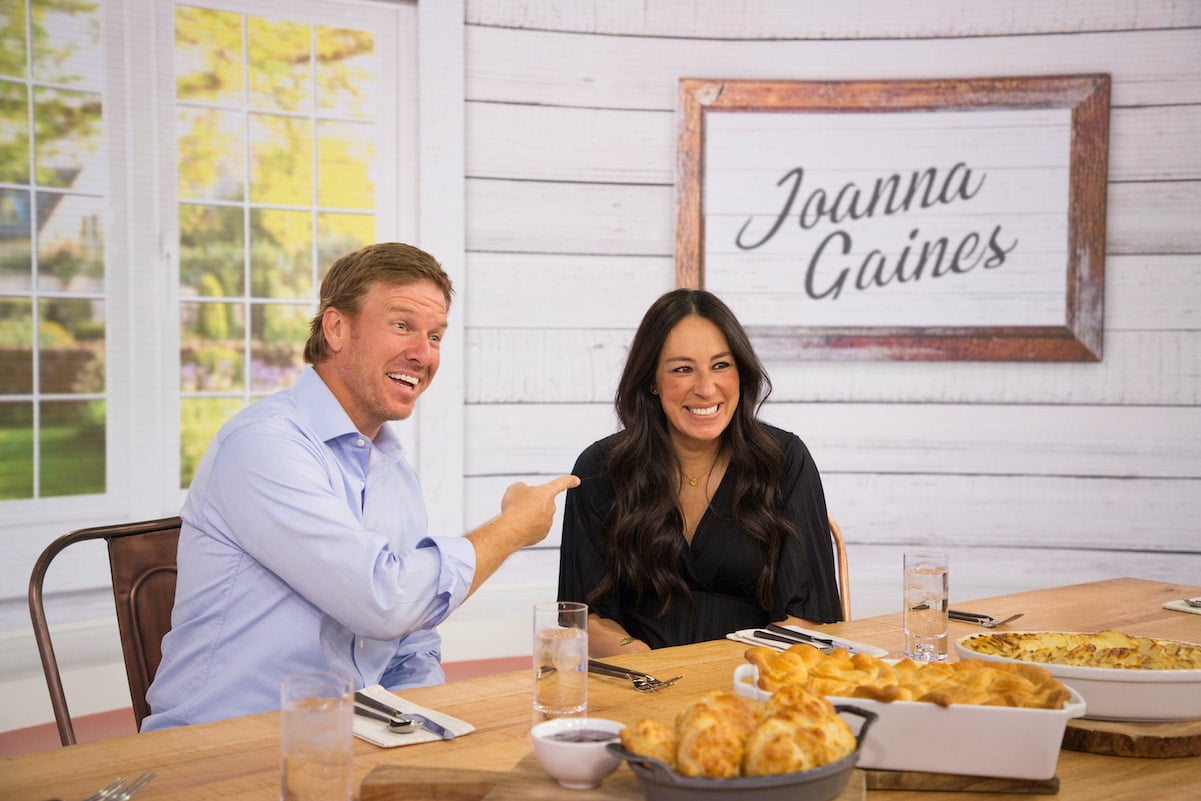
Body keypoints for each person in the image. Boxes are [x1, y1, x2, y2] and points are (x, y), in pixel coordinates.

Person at [144, 242, 577, 730]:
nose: (423, 353)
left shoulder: (392, 472)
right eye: (402, 326)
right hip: (220, 749)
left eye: (435, 336)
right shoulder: (264, 446)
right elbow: (384, 602)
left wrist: (424, 729)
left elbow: (410, 644)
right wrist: (512, 528)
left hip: (344, 740)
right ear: (336, 328)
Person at [557, 289, 841, 657]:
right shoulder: (600, 469)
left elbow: (809, 616)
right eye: (682, 369)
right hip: (639, 682)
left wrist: (732, 678)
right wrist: (645, 663)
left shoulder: (784, 460)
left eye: (721, 365)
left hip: (755, 680)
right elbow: (583, 617)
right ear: (651, 381)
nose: (706, 389)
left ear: (741, 371)